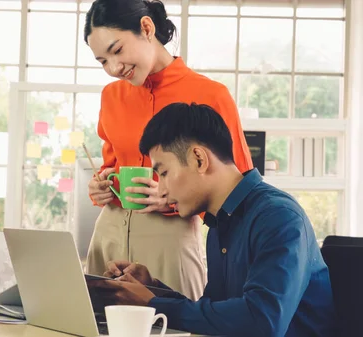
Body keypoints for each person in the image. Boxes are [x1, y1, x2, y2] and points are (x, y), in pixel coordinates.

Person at [90, 103, 338, 336]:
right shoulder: (221, 222)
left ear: (199, 159)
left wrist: (153, 303)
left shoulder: (278, 217)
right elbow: (219, 314)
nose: (161, 189)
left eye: (164, 173)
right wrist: (153, 289)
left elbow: (262, 321)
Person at [83, 0, 253, 300]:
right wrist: (100, 187)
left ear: (146, 28)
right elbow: (110, 166)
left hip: (170, 238)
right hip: (108, 234)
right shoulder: (111, 96)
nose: (113, 68)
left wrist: (176, 197)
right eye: (102, 61)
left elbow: (237, 192)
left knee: (175, 327)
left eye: (117, 50)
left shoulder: (210, 95)